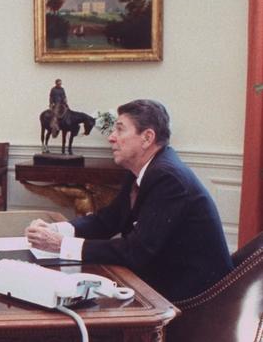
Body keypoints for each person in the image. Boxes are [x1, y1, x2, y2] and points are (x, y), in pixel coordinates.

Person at [25, 99, 233, 301]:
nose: (111, 137)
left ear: (147, 138)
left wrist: (62, 245)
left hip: (194, 300)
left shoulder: (168, 178)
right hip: (161, 281)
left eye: (120, 129)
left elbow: (136, 251)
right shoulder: (144, 169)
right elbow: (107, 220)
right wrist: (57, 231)